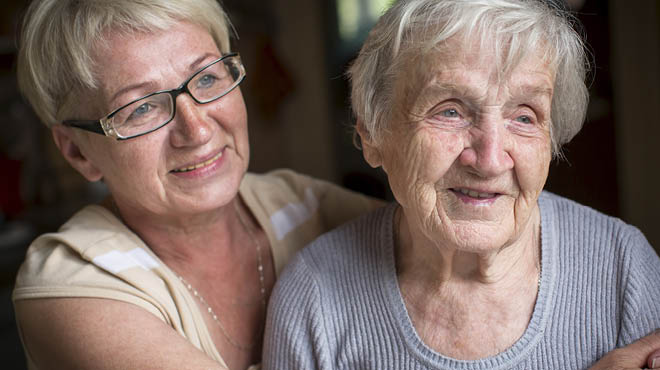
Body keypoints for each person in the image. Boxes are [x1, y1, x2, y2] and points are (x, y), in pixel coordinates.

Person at [262, 0, 660, 369]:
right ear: (373, 135)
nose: (489, 160)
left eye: (524, 117)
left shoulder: (622, 268)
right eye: (449, 110)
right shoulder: (314, 298)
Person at [10, 1, 385, 369]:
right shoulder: (72, 282)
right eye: (142, 107)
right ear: (78, 152)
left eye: (207, 78)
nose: (198, 130)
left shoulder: (300, 204)